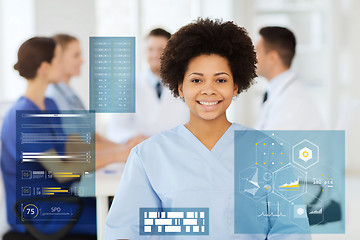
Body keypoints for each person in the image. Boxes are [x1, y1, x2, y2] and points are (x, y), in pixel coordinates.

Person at [105, 19, 310, 240]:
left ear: (235, 87)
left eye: (220, 80)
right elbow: (126, 230)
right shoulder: (148, 156)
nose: (209, 90)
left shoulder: (269, 152)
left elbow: (291, 231)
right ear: (180, 88)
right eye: (196, 80)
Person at [0, 37, 124, 238]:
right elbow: (62, 171)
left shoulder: (48, 104)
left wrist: (123, 149)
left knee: (124, 206)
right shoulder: (23, 116)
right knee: (124, 222)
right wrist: (117, 155)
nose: (62, 65)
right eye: (58, 59)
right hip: (42, 212)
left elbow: (72, 147)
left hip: (65, 200)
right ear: (44, 67)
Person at [46, 33, 143, 161]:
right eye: (76, 55)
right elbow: (74, 146)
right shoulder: (54, 97)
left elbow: (91, 136)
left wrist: (126, 147)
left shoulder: (71, 95)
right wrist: (122, 150)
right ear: (58, 58)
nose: (82, 60)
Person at [107, 28, 189, 143]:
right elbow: (116, 129)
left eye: (161, 49)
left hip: (177, 150)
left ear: (171, 52)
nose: (155, 54)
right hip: (142, 152)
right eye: (150, 49)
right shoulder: (128, 87)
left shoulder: (186, 84)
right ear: (145, 52)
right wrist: (134, 137)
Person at [254, 26, 323, 130]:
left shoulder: (290, 101)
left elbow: (268, 144)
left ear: (273, 57)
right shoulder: (281, 92)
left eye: (257, 51)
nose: (253, 57)